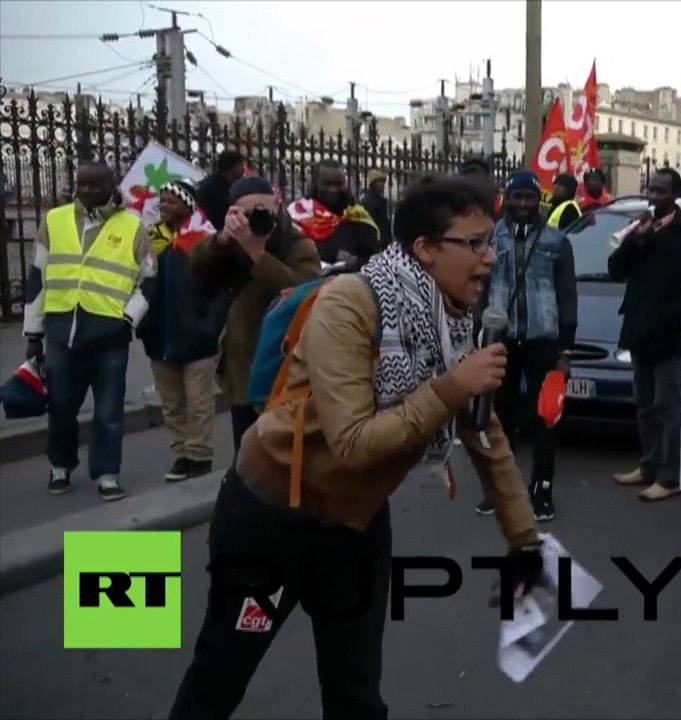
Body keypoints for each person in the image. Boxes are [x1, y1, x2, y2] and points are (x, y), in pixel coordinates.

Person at [167, 173, 544, 720]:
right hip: (270, 518)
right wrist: (453, 386)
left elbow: (485, 432)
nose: (490, 257)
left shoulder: (455, 323)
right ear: (425, 249)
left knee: (356, 696)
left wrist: (524, 540)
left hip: (356, 524)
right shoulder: (351, 303)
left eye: (493, 241)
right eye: (476, 243)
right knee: (220, 676)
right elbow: (352, 443)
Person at [23, 161, 153, 501]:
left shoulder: (135, 225)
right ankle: (60, 467)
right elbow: (38, 278)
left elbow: (148, 281)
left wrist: (128, 319)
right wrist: (33, 334)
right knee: (61, 405)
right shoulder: (54, 219)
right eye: (82, 184)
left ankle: (107, 474)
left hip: (110, 336)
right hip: (62, 332)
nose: (88, 192)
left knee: (109, 411)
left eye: (96, 185)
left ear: (112, 185)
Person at [187, 176, 322, 467]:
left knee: (283, 457)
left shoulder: (297, 245)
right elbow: (197, 267)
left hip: (287, 369)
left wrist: (257, 252)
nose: (254, 222)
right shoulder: (230, 244)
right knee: (246, 457)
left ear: (277, 209)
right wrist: (223, 239)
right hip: (243, 367)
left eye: (262, 214)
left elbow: (303, 295)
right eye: (244, 215)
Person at [474, 169, 577, 521]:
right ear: (507, 199)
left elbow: (567, 296)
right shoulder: (490, 239)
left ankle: (542, 488)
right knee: (499, 417)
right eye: (516, 197)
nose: (522, 204)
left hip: (543, 341)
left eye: (528, 197)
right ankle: (501, 488)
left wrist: (566, 349)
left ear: (538, 200)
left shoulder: (556, 241)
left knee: (545, 417)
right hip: (501, 339)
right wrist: (477, 334)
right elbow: (479, 289)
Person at [606, 168, 681, 502]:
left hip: (669, 334)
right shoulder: (640, 229)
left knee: (667, 406)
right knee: (644, 405)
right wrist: (638, 240)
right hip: (639, 330)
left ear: (675, 195)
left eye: (661, 191)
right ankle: (648, 466)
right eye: (651, 189)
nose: (653, 196)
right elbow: (615, 269)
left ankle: (669, 475)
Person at [135, 180, 230, 483]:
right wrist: (143, 323)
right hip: (159, 337)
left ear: (187, 205)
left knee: (198, 401)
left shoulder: (206, 240)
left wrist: (210, 326)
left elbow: (223, 290)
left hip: (197, 337)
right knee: (172, 403)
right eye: (161, 201)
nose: (164, 207)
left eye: (171, 202)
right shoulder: (152, 241)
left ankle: (199, 455)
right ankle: (181, 454)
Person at [288, 160, 382, 268]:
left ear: (345, 183)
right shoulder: (298, 215)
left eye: (338, 184)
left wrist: (354, 263)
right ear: (316, 183)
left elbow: (373, 262)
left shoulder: (358, 218)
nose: (332, 189)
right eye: (326, 184)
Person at [194, 150, 246, 232]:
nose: (238, 182)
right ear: (224, 171)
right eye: (235, 177)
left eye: (241, 177)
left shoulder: (240, 186)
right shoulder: (208, 189)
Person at [361, 169, 393, 247]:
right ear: (372, 183)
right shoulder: (369, 202)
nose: (382, 184)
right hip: (376, 243)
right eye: (379, 181)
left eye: (383, 181)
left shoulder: (379, 200)